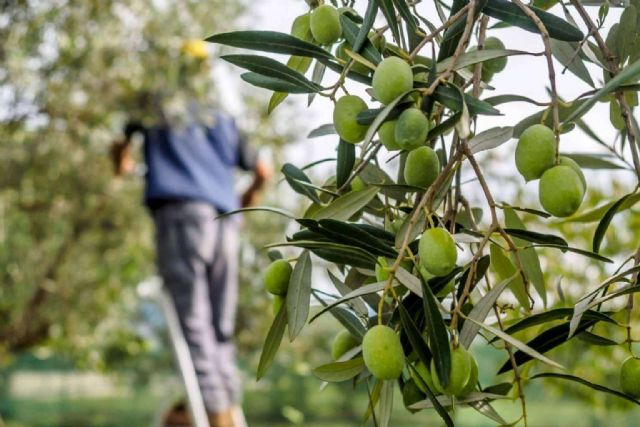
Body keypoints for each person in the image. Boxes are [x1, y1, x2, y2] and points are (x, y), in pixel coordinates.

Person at [112, 40, 272, 427]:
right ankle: (220, 412)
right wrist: (242, 204)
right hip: (224, 223)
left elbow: (120, 145)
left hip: (183, 218)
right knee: (219, 331)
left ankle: (218, 420)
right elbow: (263, 171)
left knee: (195, 329)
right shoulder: (222, 115)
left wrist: (123, 163)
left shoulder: (158, 102)